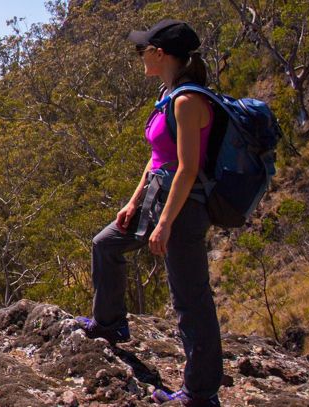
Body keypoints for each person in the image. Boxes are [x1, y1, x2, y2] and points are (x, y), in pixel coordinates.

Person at [74, 19, 223, 407]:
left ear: (160, 54)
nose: (139, 55)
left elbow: (188, 169)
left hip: (183, 210)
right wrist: (133, 200)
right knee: (105, 244)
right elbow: (158, 158)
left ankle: (200, 394)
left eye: (143, 50)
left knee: (190, 300)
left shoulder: (189, 102)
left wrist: (166, 224)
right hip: (155, 199)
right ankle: (109, 326)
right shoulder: (166, 94)